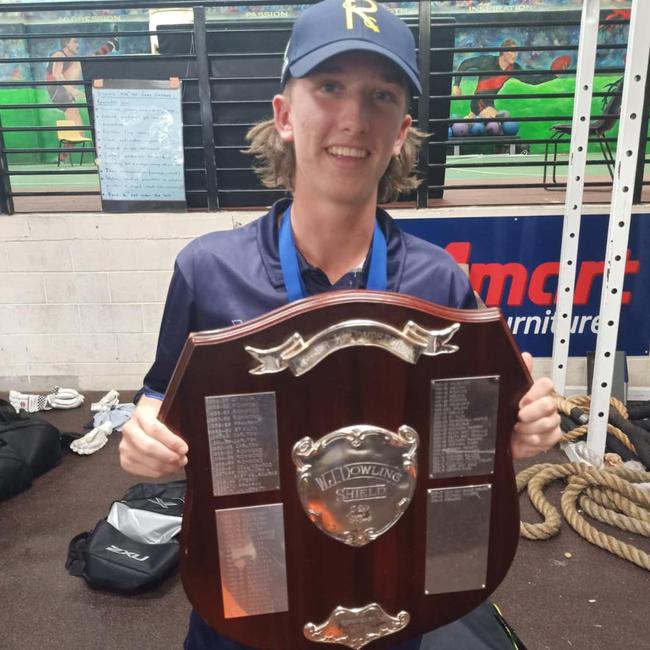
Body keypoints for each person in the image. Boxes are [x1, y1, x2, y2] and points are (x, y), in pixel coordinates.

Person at [120, 1, 561, 647]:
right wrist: (144, 442)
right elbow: (160, 400)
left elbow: (467, 446)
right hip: (249, 590)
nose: (354, 119)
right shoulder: (208, 270)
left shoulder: (440, 283)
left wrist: (516, 434)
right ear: (284, 114)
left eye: (380, 95)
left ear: (404, 129)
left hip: (392, 590)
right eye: (329, 87)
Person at [452, 38, 570, 120]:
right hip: (478, 102)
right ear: (503, 52)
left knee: (500, 122)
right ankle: (475, 116)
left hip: (489, 103)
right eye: (512, 51)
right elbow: (465, 63)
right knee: (499, 122)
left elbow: (533, 80)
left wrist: (554, 75)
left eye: (516, 52)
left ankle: (471, 118)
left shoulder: (513, 68)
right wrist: (456, 85)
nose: (515, 54)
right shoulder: (487, 61)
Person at [46, 34, 118, 160]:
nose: (77, 45)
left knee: (79, 132)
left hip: (66, 94)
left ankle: (62, 158)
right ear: (66, 43)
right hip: (58, 91)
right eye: (74, 42)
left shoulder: (70, 58)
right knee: (81, 63)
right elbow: (57, 74)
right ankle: (111, 45)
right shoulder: (59, 55)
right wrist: (72, 90)